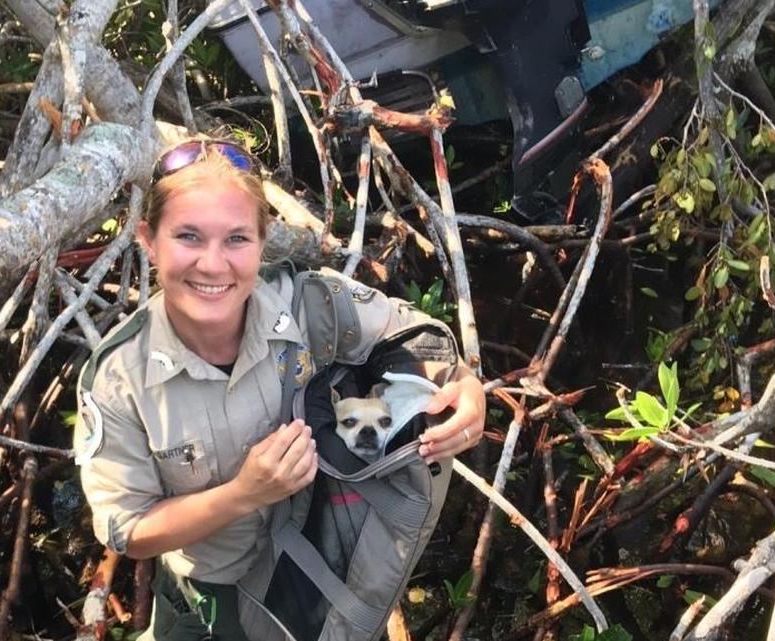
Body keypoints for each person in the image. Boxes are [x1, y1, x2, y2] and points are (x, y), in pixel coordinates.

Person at [74, 139, 485, 640]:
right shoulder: (119, 380)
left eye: (236, 240)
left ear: (264, 240)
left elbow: (408, 334)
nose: (212, 264)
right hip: (211, 590)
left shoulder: (307, 302)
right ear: (148, 239)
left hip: (322, 569)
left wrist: (465, 387)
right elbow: (130, 532)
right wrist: (242, 495)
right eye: (188, 236)